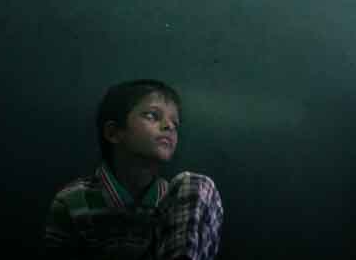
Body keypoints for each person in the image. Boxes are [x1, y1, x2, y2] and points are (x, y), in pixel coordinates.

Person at [44, 80, 223, 259]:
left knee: (197, 184)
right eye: (152, 116)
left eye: (175, 124)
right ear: (113, 133)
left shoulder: (177, 199)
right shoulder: (72, 200)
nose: (169, 126)